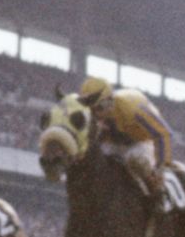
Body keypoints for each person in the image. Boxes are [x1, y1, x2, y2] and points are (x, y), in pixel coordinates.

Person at [74, 77, 174, 214]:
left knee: (135, 159)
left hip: (141, 141)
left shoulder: (132, 109)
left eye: (98, 108)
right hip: (114, 142)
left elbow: (163, 133)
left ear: (110, 101)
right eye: (90, 110)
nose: (95, 115)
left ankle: (158, 196)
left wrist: (161, 167)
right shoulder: (93, 116)